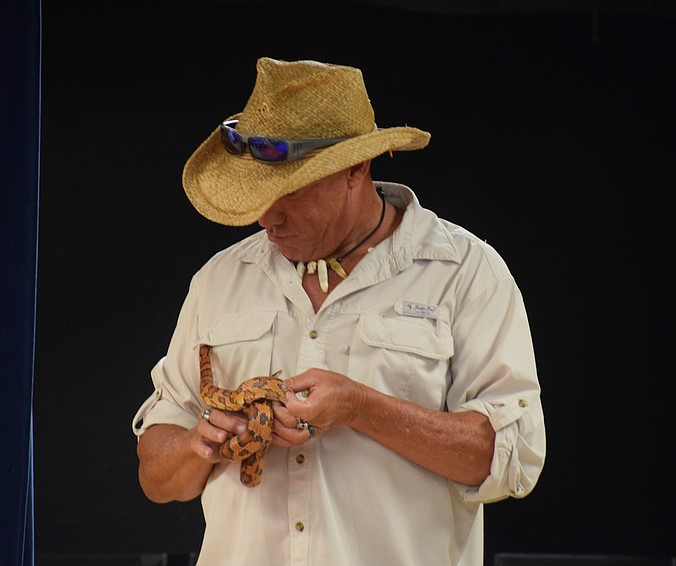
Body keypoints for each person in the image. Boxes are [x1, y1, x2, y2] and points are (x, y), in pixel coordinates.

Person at [132, 57, 546, 566]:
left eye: (290, 190)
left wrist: (358, 406)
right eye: (257, 193)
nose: (267, 216)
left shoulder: (464, 272)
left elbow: (510, 460)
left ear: (357, 167)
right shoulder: (220, 279)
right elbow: (155, 477)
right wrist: (203, 442)